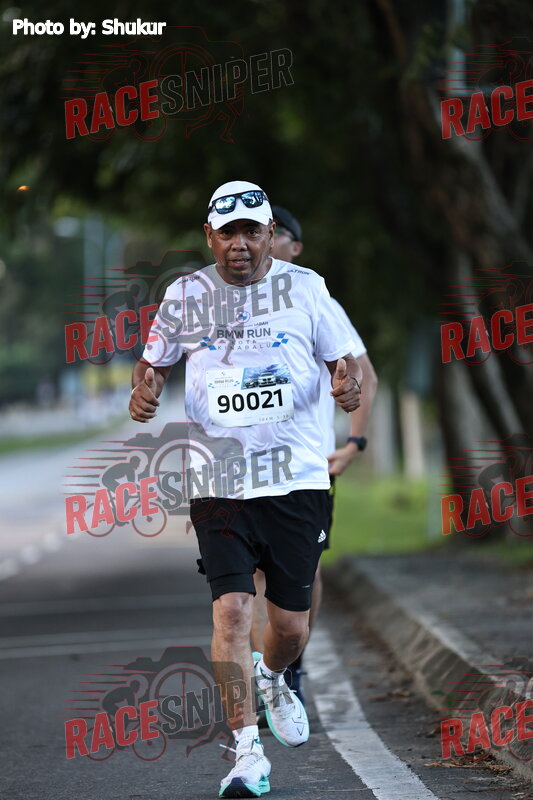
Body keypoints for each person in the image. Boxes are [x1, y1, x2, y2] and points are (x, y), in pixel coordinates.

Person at [129, 180, 362, 798]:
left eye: (251, 232)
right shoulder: (184, 295)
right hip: (220, 479)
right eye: (227, 232)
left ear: (269, 235)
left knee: (289, 628)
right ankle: (245, 753)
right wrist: (145, 387)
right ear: (209, 236)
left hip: (297, 478)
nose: (240, 243)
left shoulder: (306, 288)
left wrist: (346, 385)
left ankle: (273, 676)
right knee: (232, 610)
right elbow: (153, 362)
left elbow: (344, 362)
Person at [250, 207, 378, 705]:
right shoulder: (226, 303)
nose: (260, 241)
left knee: (303, 572)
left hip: (306, 465)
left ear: (293, 246)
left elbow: (364, 375)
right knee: (254, 576)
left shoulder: (313, 297)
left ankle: (291, 665)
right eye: (247, 232)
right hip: (245, 466)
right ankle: (269, 679)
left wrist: (353, 445)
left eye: (272, 233)